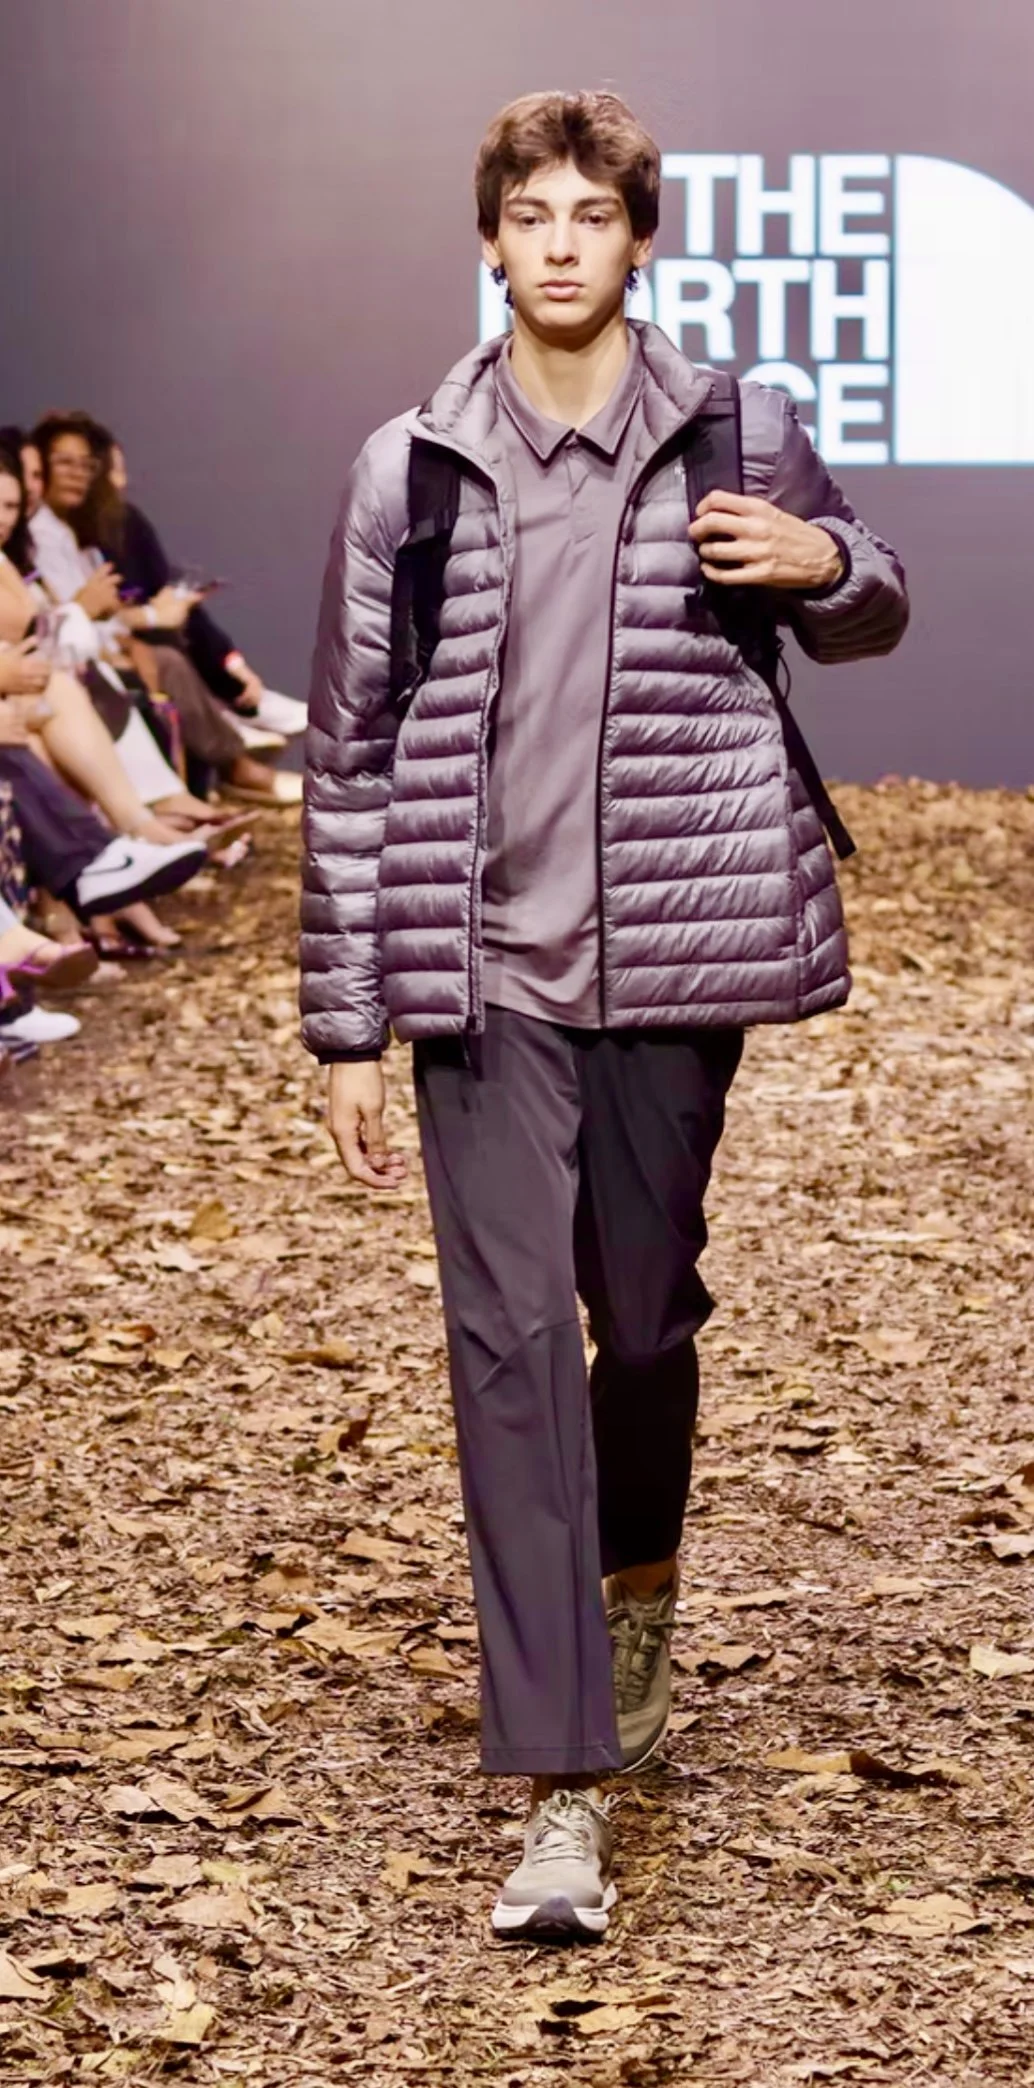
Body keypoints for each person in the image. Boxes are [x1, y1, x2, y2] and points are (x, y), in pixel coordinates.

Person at [300, 91, 909, 1945]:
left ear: (640, 238)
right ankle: (558, 1787)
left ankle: (632, 1590)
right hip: (478, 970)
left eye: (591, 214)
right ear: (489, 239)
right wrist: (346, 1020)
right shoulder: (409, 469)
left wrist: (825, 565)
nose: (559, 242)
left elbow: (868, 601)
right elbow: (348, 750)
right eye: (529, 214)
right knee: (506, 1349)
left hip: (670, 958)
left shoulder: (736, 429)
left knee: (637, 1324)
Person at [28, 414, 300, 806]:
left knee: (173, 631)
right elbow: (70, 620)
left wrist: (132, 622)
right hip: (74, 661)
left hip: (104, 649)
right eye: (64, 463)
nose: (79, 475)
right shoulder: (41, 536)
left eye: (87, 466)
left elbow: (123, 603)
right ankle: (232, 748)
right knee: (164, 653)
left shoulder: (80, 533)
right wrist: (135, 622)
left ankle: (233, 720)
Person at [85, 432, 308, 743]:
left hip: (151, 629)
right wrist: (151, 616)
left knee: (183, 610)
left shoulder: (128, 522)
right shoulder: (73, 538)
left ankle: (240, 692)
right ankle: (234, 715)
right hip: (108, 644)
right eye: (115, 471)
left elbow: (162, 586)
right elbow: (100, 611)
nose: (122, 482)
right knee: (167, 651)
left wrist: (232, 660)